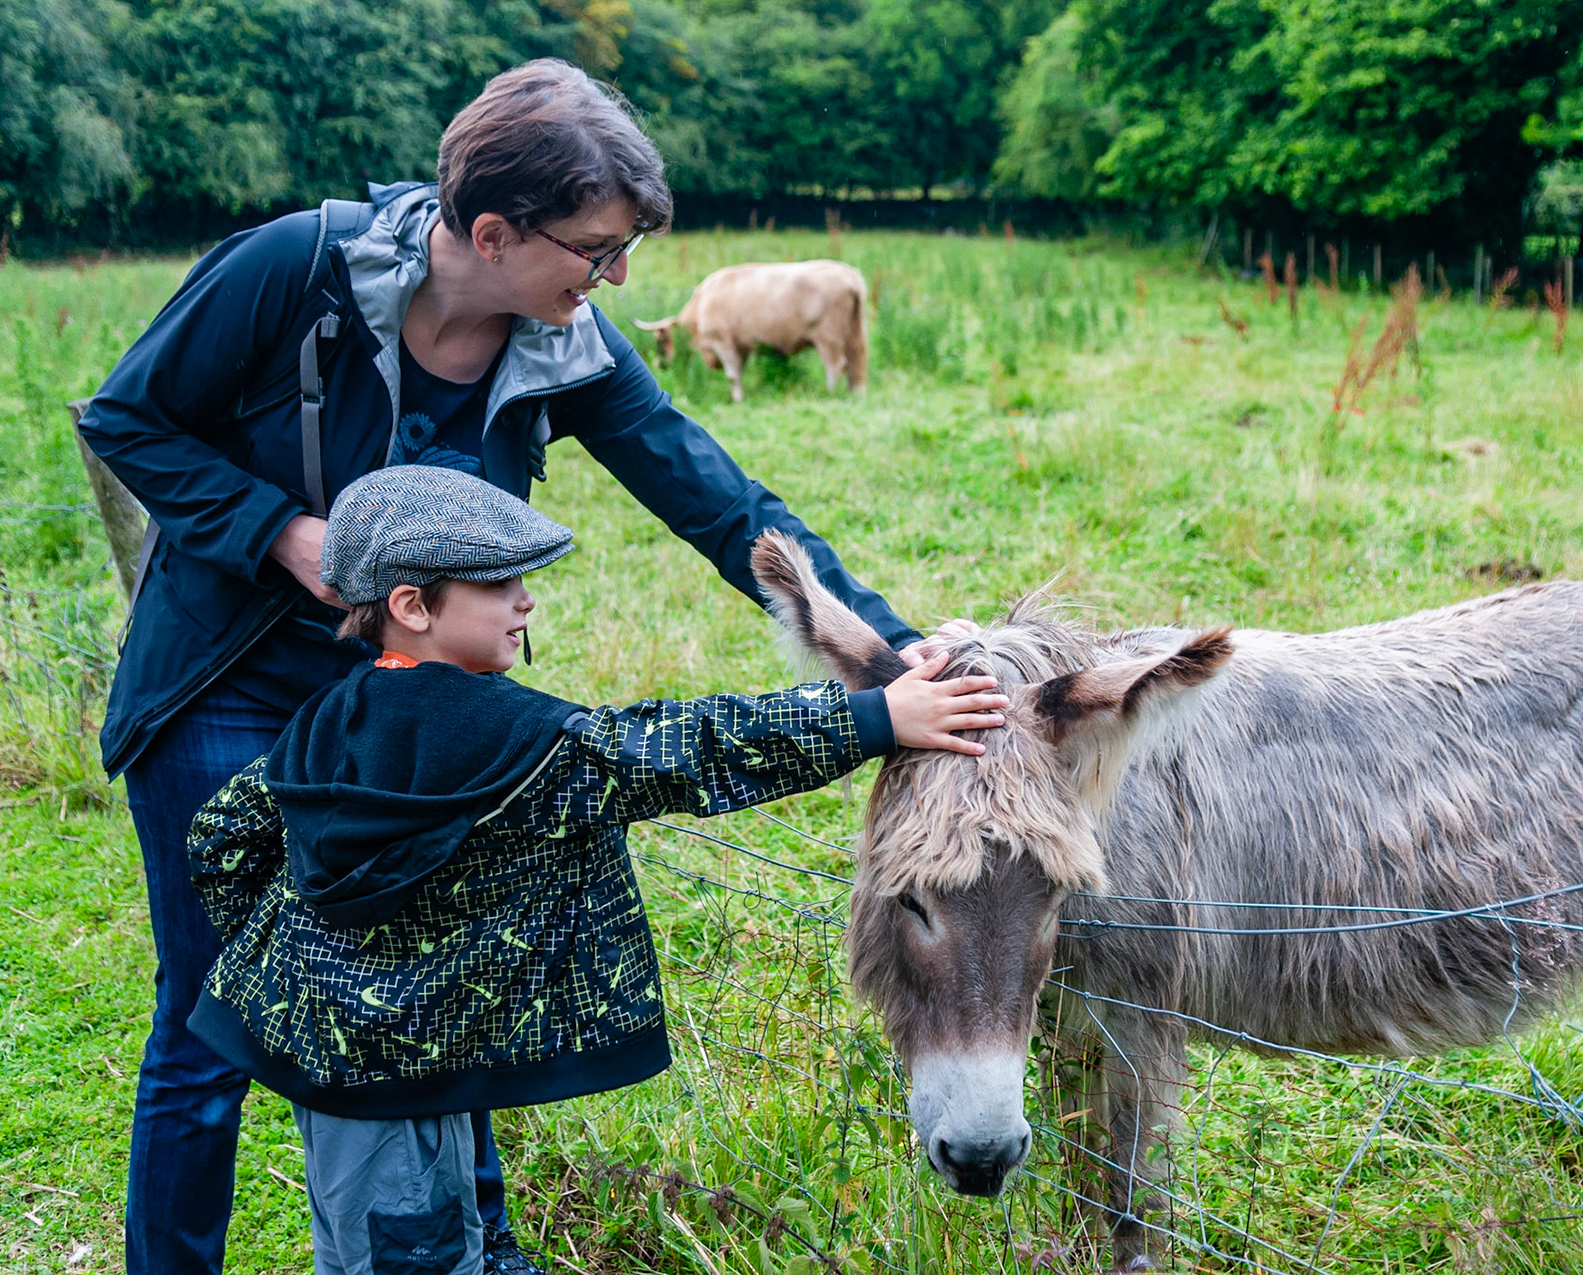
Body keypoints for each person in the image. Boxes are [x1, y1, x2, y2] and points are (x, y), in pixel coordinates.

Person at [75, 58, 963, 1275]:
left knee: (444, 986)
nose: (617, 278)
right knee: (206, 1019)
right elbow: (126, 416)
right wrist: (282, 533)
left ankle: (475, 1252)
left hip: (419, 711)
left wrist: (890, 653)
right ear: (492, 232)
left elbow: (716, 498)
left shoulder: (568, 342)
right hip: (226, 688)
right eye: (597, 250)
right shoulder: (293, 269)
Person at [183, 467, 1007, 1274]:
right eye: (497, 583)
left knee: (367, 1245)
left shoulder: (331, 715)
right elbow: (673, 751)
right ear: (412, 606)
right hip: (400, 1085)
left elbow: (219, 836)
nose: (525, 600)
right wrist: (871, 718)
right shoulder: (500, 737)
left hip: (336, 1074)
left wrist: (298, 967)